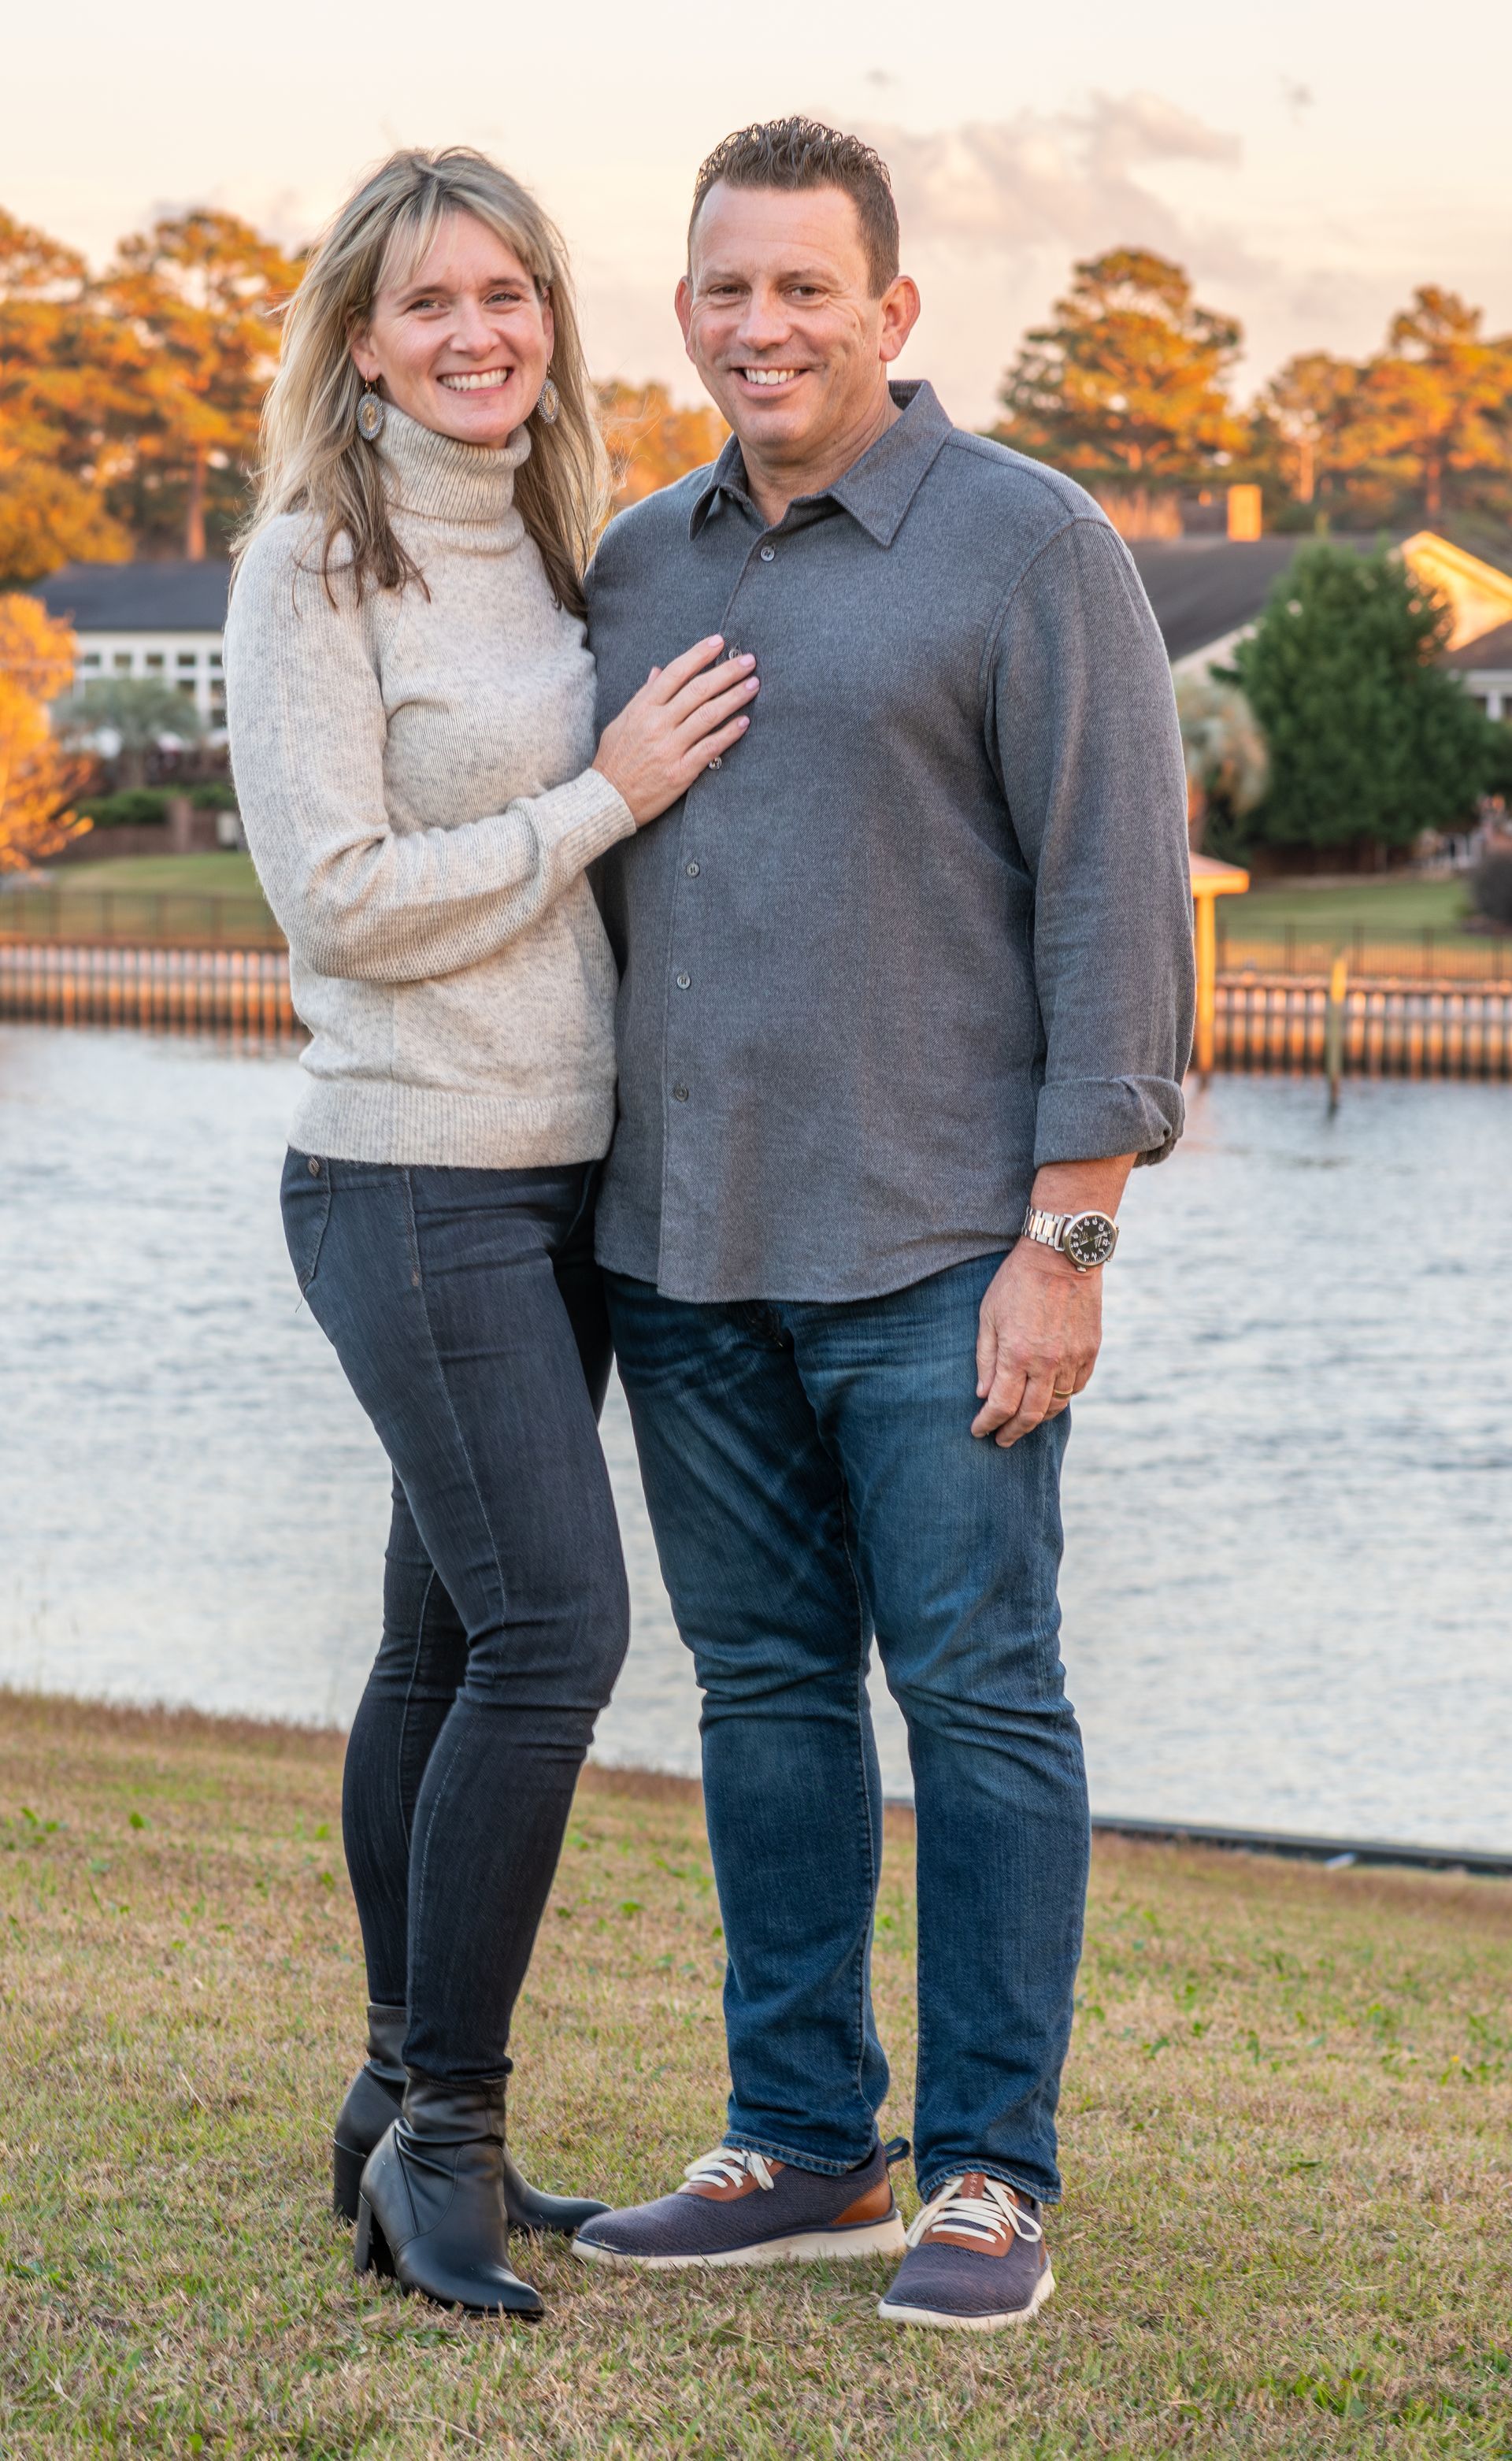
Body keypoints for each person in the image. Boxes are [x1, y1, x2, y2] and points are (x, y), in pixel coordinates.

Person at [573, 119, 1195, 2332]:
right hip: (684, 1251)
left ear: (895, 309)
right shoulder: (637, 560)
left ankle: (986, 2177)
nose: (765, 325)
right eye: (727, 288)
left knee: (984, 1696)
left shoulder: (1029, 545)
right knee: (761, 1694)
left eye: (807, 287)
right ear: (686, 312)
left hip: (946, 1247)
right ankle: (804, 2138)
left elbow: (1119, 900)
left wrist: (1073, 1240)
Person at [224, 146, 759, 2318]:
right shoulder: (305, 569)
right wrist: (605, 796)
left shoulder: (564, 548)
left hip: (565, 1176)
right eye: (428, 304)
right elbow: (334, 895)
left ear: (551, 317)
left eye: (508, 297)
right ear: (360, 336)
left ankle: (383, 2097)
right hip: (407, 1169)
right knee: (557, 1636)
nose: (477, 337)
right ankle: (450, 2136)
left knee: (444, 1647)